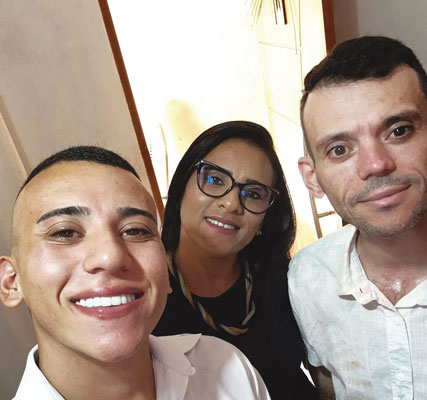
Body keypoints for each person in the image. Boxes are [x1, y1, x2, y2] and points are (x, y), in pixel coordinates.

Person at [0, 146, 271, 400]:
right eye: (65, 232)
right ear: (11, 282)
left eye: (135, 230)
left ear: (165, 273)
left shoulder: (226, 367)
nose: (111, 256)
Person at [289, 36, 427, 399]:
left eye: (399, 131)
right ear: (312, 178)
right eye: (339, 149)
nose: (375, 164)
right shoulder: (307, 276)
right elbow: (327, 381)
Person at [153, 121, 317, 399]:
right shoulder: (148, 295)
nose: (231, 204)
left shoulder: (284, 280)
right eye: (215, 180)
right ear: (181, 187)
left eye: (253, 194)